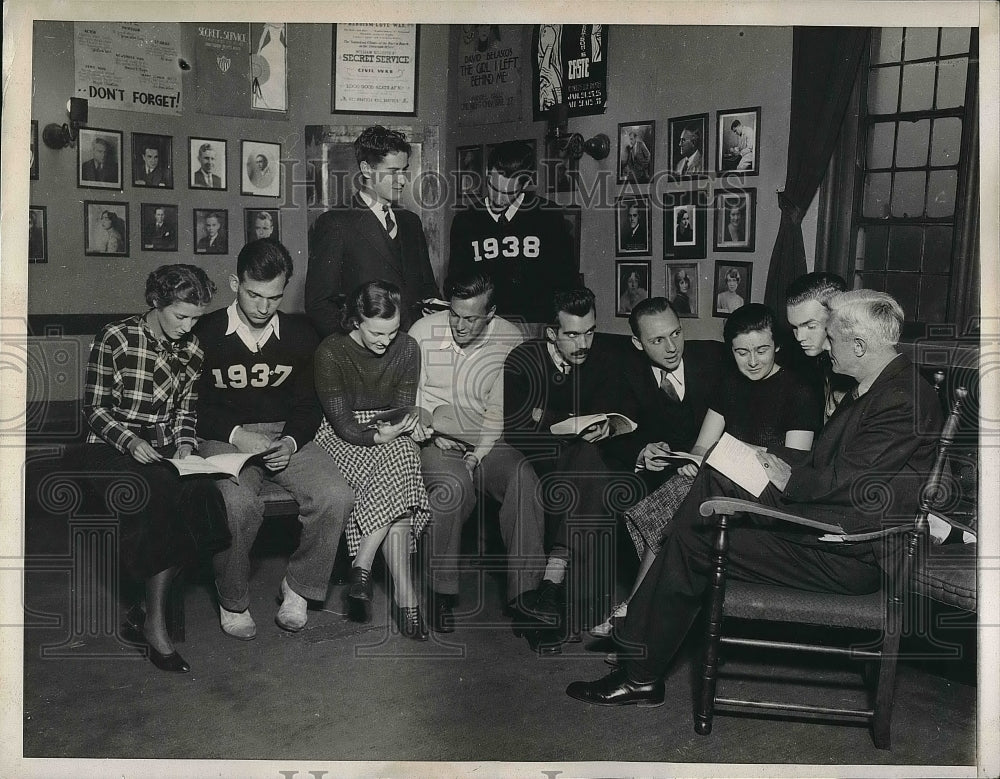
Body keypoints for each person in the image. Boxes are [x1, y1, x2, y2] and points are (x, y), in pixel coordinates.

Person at [566, 290, 943, 707]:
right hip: (831, 529)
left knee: (695, 533)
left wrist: (786, 477)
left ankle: (638, 663)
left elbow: (851, 483)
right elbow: (837, 467)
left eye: (831, 339)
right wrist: (770, 463)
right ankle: (637, 656)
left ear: (859, 345)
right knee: (710, 485)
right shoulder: (881, 386)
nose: (825, 347)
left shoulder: (901, 399)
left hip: (847, 553)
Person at [593, 303, 823, 636]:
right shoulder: (729, 385)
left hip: (769, 494)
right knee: (681, 497)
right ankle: (639, 614)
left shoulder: (799, 391)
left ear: (777, 346)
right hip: (720, 480)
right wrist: (691, 461)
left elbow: (791, 466)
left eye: (761, 350)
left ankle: (635, 610)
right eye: (742, 352)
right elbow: (702, 446)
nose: (753, 361)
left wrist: (729, 453)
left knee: (678, 507)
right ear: (731, 352)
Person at [194, 239, 354, 640]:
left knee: (336, 496)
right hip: (224, 437)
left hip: (284, 433)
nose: (264, 307)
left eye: (274, 297)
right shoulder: (205, 331)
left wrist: (290, 442)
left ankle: (298, 588)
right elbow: (192, 405)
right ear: (235, 282)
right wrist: (236, 434)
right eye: (253, 294)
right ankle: (232, 599)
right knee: (235, 502)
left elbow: (308, 404)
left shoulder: (301, 334)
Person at [80, 264, 228, 673]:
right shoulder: (116, 338)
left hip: (162, 450)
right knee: (159, 500)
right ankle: (156, 627)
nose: (188, 326)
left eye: (196, 318)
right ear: (155, 303)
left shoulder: (193, 350)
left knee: (206, 500)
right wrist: (131, 441)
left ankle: (146, 606)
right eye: (181, 316)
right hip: (109, 449)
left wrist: (184, 442)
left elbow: (185, 410)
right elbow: (94, 410)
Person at [409, 270, 556, 634]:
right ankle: (440, 592)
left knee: (523, 478)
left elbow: (498, 412)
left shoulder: (510, 337)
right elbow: (409, 399)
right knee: (452, 487)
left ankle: (525, 596)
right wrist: (428, 431)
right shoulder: (423, 331)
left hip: (486, 435)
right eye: (454, 314)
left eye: (470, 318)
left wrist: (472, 447)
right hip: (433, 438)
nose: (459, 325)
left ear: (490, 314)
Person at [503, 287, 632, 650]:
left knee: (589, 466)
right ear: (551, 333)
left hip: (580, 462)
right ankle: (557, 599)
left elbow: (610, 410)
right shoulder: (523, 359)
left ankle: (548, 597)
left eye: (590, 331)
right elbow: (515, 430)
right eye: (572, 334)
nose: (584, 343)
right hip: (532, 455)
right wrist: (565, 426)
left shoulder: (602, 357)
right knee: (588, 470)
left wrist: (599, 427)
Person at [312, 280, 433, 639]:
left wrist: (405, 424)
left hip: (389, 430)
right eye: (377, 332)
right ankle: (408, 603)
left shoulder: (408, 347)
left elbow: (402, 403)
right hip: (342, 434)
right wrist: (378, 435)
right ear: (355, 322)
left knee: (400, 456)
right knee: (402, 470)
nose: (387, 340)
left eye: (393, 331)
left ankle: (362, 564)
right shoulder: (331, 351)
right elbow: (343, 423)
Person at [306, 125, 440, 336]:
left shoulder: (411, 222)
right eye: (393, 172)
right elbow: (319, 303)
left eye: (404, 170)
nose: (403, 180)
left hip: (412, 347)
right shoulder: (335, 223)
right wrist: (354, 345)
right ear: (367, 169)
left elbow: (428, 289)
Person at [448, 140, 576, 331]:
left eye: (508, 192)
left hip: (536, 326)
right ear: (487, 173)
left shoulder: (548, 216)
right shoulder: (465, 221)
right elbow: (455, 282)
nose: (498, 199)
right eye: (493, 188)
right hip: (483, 327)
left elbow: (567, 281)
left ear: (525, 184)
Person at [785, 271, 853, 420]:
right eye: (795, 327)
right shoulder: (824, 360)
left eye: (810, 326)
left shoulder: (854, 369)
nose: (800, 338)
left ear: (837, 317)